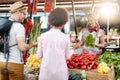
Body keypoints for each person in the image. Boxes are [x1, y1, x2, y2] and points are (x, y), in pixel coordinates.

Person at [0, 1, 37, 80]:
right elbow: (22, 47)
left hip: (1, 63)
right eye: (24, 14)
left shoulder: (2, 24)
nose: (25, 17)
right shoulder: (19, 26)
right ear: (18, 12)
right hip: (15, 63)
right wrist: (34, 44)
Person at [36, 7, 74, 80]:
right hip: (60, 74)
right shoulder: (65, 38)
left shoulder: (43, 36)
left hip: (45, 74)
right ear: (64, 21)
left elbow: (39, 56)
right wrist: (74, 49)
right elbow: (68, 56)